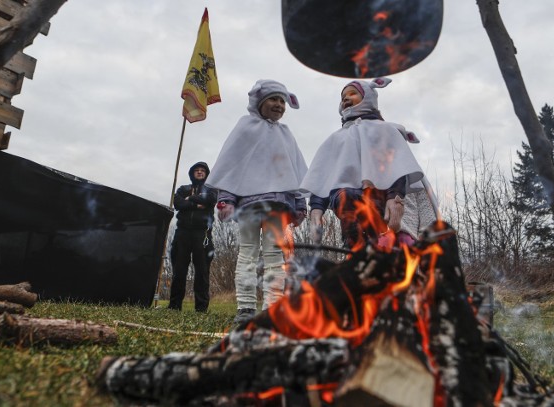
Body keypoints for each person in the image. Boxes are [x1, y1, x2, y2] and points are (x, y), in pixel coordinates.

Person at [206, 79, 308, 325]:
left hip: (278, 205)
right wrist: (226, 199)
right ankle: (245, 307)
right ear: (260, 102)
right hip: (249, 205)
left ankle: (271, 307)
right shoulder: (245, 128)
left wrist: (299, 203)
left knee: (275, 255)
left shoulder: (286, 135)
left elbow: (294, 168)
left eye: (282, 101)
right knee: (247, 254)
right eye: (273, 99)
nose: (279, 105)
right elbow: (232, 163)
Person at [300, 77, 424, 250]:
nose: (346, 98)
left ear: (368, 97)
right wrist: (316, 208)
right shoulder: (337, 138)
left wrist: (394, 198)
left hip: (376, 196)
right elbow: (324, 174)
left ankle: (375, 256)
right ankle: (354, 250)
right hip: (344, 197)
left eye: (353, 93)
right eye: (343, 96)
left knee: (376, 233)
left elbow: (394, 167)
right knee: (346, 198)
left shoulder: (384, 130)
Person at [167, 162, 217, 312]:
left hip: (202, 234)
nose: (200, 172)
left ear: (206, 174)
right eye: (197, 170)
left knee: (202, 272)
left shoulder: (211, 190)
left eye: (203, 171)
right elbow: (177, 203)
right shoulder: (183, 189)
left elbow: (210, 201)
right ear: (192, 173)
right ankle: (174, 306)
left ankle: (201, 308)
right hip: (182, 233)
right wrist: (196, 203)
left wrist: (190, 199)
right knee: (179, 271)